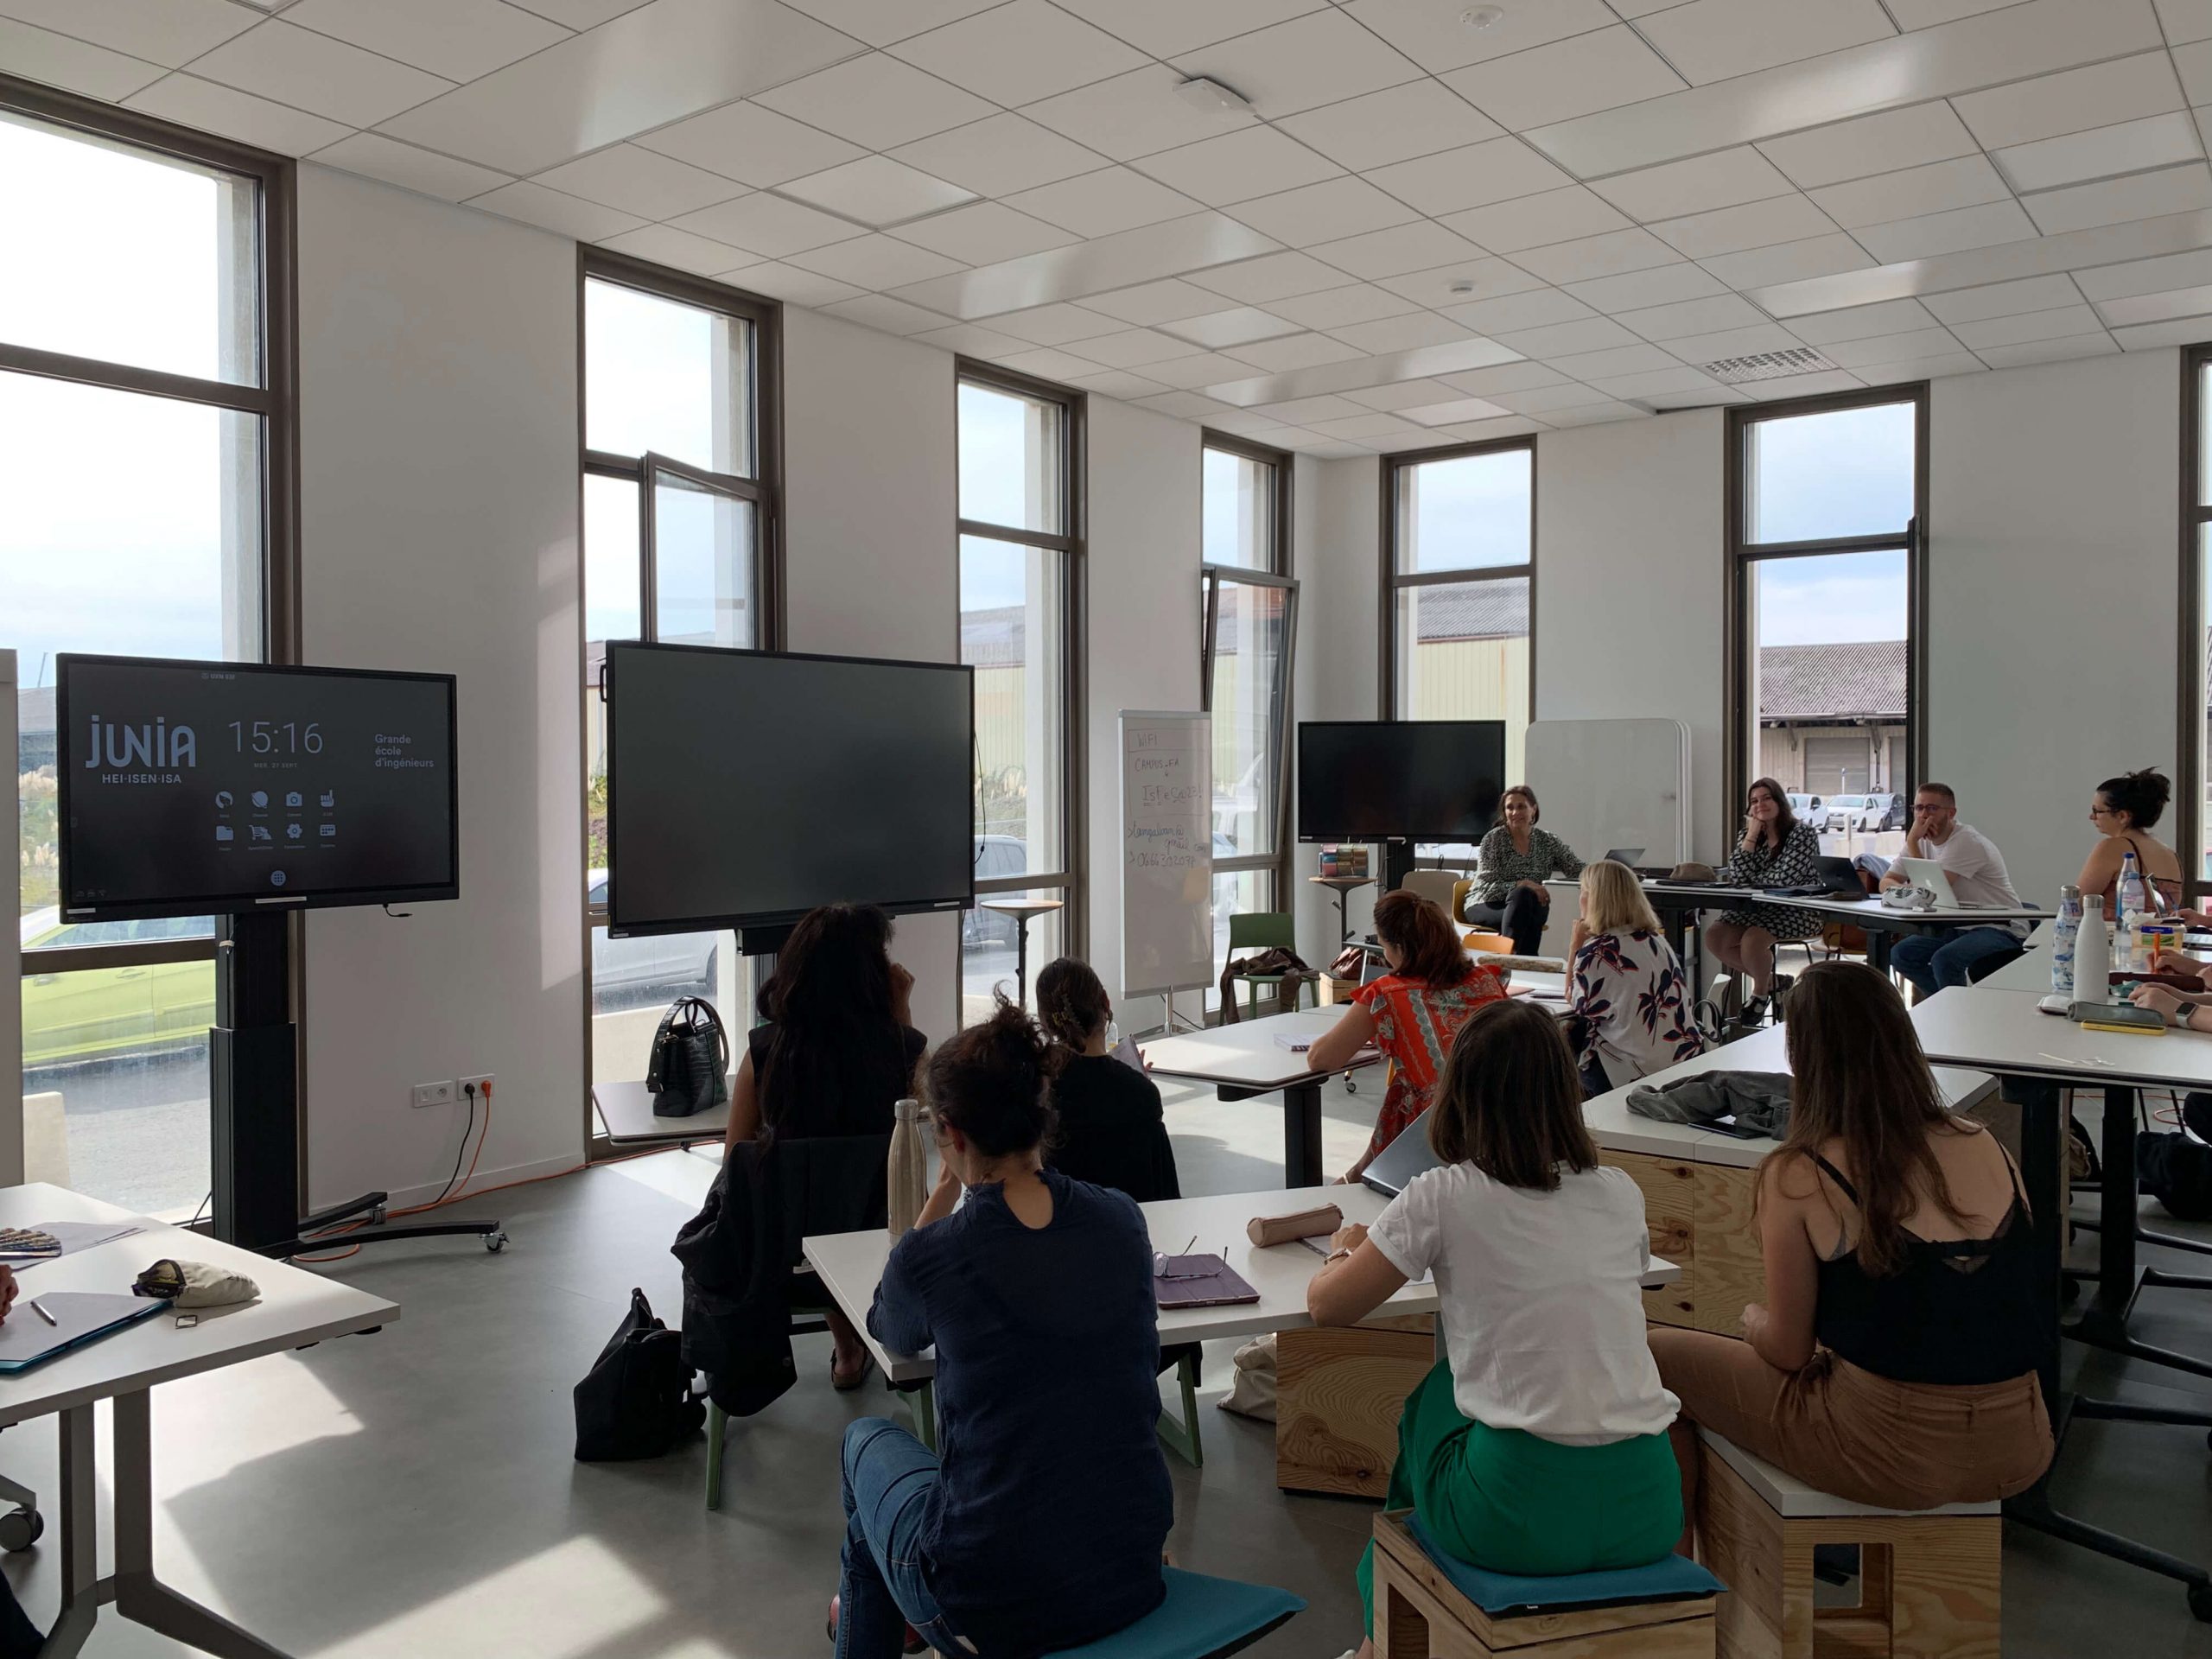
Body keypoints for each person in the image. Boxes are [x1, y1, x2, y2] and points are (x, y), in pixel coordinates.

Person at [1307, 1000, 1682, 1659]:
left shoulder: (1442, 1195)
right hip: (1647, 1508)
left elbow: (1328, 1309)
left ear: (1461, 1096)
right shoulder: (1621, 1192)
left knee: (1431, 1401)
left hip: (1516, 1515)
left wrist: (1345, 1247)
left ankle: (1379, 1637)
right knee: (1459, 1388)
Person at [1649, 962, 2052, 1533]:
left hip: (1890, 1452)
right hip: (2022, 1443)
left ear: (1800, 1056)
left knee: (1656, 1358)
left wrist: (1751, 1320)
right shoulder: (1984, 1143)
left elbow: (1788, 1350)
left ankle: (1683, 1574)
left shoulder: (1799, 1173)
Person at [832, 1001, 1173, 1659]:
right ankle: (880, 1607)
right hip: (1131, 1569)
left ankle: (882, 1615)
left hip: (990, 1601)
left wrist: (940, 1197)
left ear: (951, 1135)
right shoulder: (1121, 1220)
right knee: (878, 1537)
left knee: (862, 1446)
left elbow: (891, 1332)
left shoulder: (932, 1256)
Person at [724, 903, 926, 1389]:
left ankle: (847, 1348)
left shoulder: (763, 1050)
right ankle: (852, 1344)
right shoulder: (903, 1049)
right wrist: (900, 1014)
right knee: (861, 1202)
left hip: (776, 1262)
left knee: (812, 1206)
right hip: (882, 1255)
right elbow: (917, 1118)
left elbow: (735, 1162)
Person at [1307, 889, 1505, 1184]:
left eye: (1384, 945)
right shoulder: (1485, 980)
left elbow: (1321, 1059)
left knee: (1403, 1098)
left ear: (1399, 948)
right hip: (1505, 1122)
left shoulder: (1387, 992)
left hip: (1441, 1133)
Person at [1035, 957, 1179, 1204]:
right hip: (1128, 1233)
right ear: (1105, 1002)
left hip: (1057, 1235)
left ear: (1047, 1023)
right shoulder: (1141, 1094)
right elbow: (1165, 1198)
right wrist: (1132, 1080)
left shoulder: (1037, 1093)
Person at [1567, 860, 1707, 1097]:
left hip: (1637, 1068)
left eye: (1583, 891)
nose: (1579, 897)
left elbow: (1576, 1002)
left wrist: (1574, 947)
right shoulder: (1655, 940)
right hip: (1682, 1057)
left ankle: (1584, 1121)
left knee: (1568, 1043)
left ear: (1594, 899)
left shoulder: (1598, 953)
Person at [1878, 783, 2026, 996]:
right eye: (1918, 808)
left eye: (1931, 808)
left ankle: (1954, 1014)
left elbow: (1930, 893)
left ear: (1951, 813)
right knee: (1901, 954)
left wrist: (1912, 842)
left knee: (1945, 960)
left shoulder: (1966, 841)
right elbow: (1887, 881)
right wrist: (1907, 892)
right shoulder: (1921, 842)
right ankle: (1945, 1003)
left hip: (1999, 926)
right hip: (1956, 925)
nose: (1922, 815)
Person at [1706, 777, 1822, 1025]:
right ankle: (1774, 983)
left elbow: (1785, 879)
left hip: (1799, 910)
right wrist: (1751, 835)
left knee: (1753, 939)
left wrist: (1753, 879)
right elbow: (1738, 877)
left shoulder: (1802, 833)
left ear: (1780, 801)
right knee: (1715, 936)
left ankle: (1759, 995)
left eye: (1767, 798)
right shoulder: (1749, 835)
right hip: (1757, 909)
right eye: (1754, 801)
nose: (1760, 805)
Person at [1466, 785, 1583, 955]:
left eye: (1521, 806)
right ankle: (1520, 961)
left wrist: (1607, 871)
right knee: (1523, 898)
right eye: (1510, 808)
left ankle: (1512, 961)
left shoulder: (1548, 841)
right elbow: (1486, 888)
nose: (1515, 812)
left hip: (1526, 906)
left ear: (1533, 809)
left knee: (1526, 902)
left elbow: (1576, 868)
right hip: (1486, 903)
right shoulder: (1494, 839)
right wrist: (1522, 884)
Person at [2077, 767, 2185, 913]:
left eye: (2097, 811)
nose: (2092, 817)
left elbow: (2075, 905)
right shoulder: (2170, 854)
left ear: (2123, 816)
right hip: (2158, 936)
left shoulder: (2112, 848)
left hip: (2114, 935)